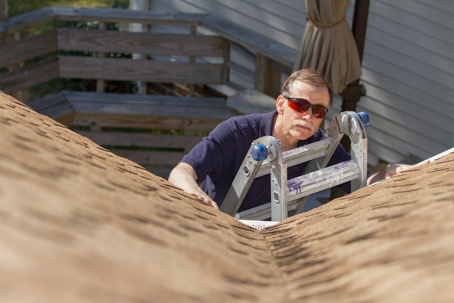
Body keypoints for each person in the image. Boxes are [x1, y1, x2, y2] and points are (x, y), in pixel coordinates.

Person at [168, 69, 422, 212]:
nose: (307, 116)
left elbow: (360, 183)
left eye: (318, 111)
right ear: (281, 104)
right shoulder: (236, 132)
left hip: (271, 238)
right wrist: (195, 195)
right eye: (299, 104)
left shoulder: (322, 145)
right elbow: (182, 171)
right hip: (220, 226)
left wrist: (387, 173)